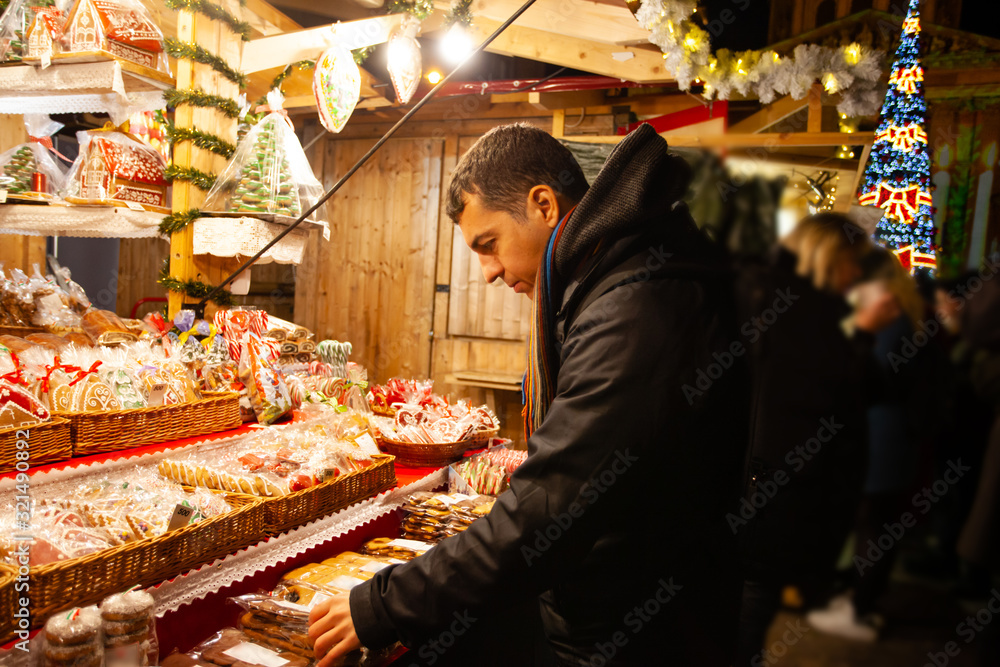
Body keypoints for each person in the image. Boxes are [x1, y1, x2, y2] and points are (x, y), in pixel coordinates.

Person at [308, 123, 748, 666]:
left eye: (488, 245)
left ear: (543, 204)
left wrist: (382, 604)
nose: (488, 272)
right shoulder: (612, 275)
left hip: (645, 624)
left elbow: (551, 506)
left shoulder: (634, 306)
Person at [734, 214, 901, 664]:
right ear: (831, 257)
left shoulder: (759, 291)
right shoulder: (809, 312)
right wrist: (863, 334)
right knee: (747, 618)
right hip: (772, 499)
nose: (855, 276)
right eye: (852, 265)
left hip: (744, 491)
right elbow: (847, 396)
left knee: (733, 618)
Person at [807, 245, 936, 640]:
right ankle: (863, 602)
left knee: (873, 525)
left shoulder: (885, 317)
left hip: (880, 435)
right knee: (878, 523)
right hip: (896, 435)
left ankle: (860, 611)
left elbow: (867, 381)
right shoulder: (907, 311)